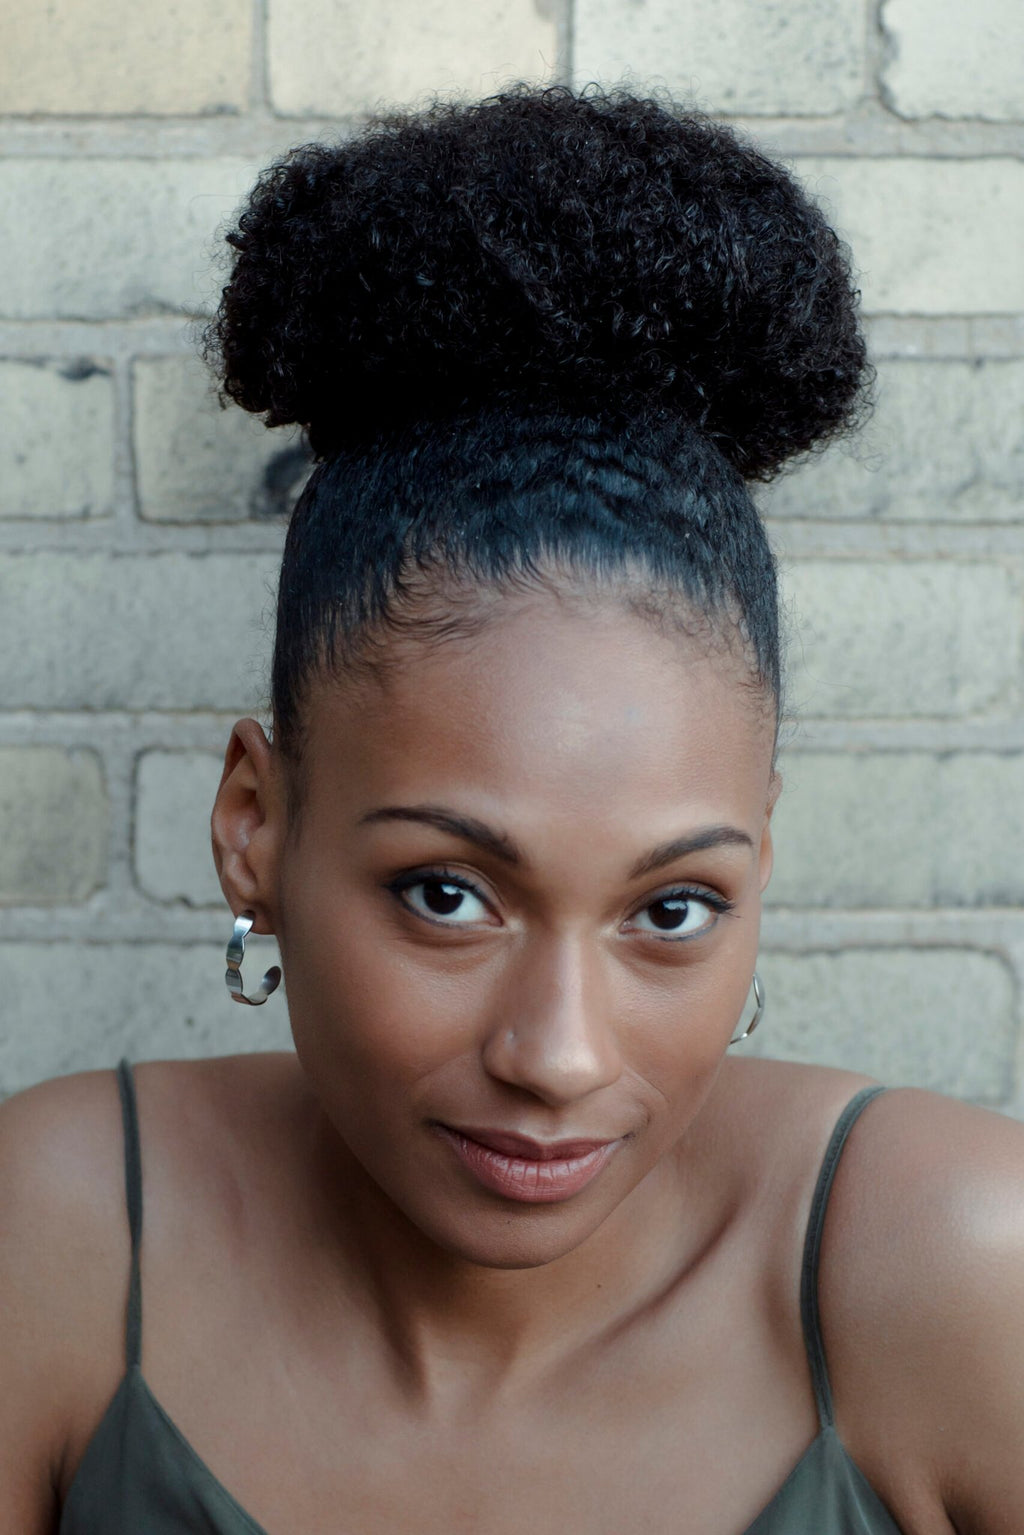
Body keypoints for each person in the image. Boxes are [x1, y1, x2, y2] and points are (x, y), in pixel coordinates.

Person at [1, 83, 1022, 1535]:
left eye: (672, 910)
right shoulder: (56, 1246)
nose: (557, 1055)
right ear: (254, 825)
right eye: (448, 894)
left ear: (764, 861)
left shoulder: (953, 1271)